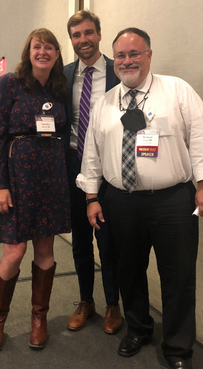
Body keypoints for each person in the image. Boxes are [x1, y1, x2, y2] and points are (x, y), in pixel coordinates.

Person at [76, 27, 203, 369]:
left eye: (134, 53)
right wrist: (92, 196)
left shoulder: (176, 90)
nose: (127, 61)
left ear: (149, 55)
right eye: (121, 55)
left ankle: (178, 350)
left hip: (172, 199)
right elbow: (91, 154)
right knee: (128, 268)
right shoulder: (106, 102)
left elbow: (201, 135)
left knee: (178, 274)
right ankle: (138, 329)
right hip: (120, 200)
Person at [0, 28, 70, 351]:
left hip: (51, 179)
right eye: (38, 46)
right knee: (15, 251)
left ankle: (39, 319)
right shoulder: (10, 83)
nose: (43, 52)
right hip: (17, 179)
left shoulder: (59, 88)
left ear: (57, 54)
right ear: (29, 51)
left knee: (46, 251)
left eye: (50, 47)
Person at [63, 10, 122, 334]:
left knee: (108, 239)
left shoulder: (118, 71)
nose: (83, 40)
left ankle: (113, 304)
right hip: (73, 164)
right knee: (80, 239)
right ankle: (86, 300)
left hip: (109, 167)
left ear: (99, 34)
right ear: (71, 40)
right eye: (76, 35)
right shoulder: (65, 74)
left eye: (88, 33)